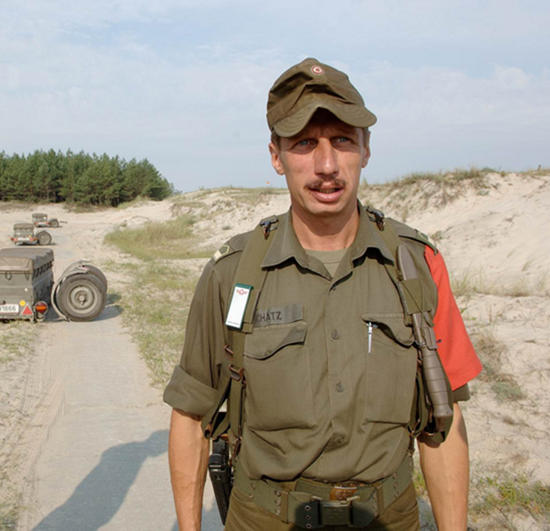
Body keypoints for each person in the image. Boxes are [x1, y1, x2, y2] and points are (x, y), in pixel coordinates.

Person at [163, 58, 482, 531]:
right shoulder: (231, 274)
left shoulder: (417, 265)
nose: (327, 165)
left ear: (366, 149)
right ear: (276, 156)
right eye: (305, 143)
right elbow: (191, 415)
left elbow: (444, 421)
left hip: (388, 517)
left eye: (343, 140)